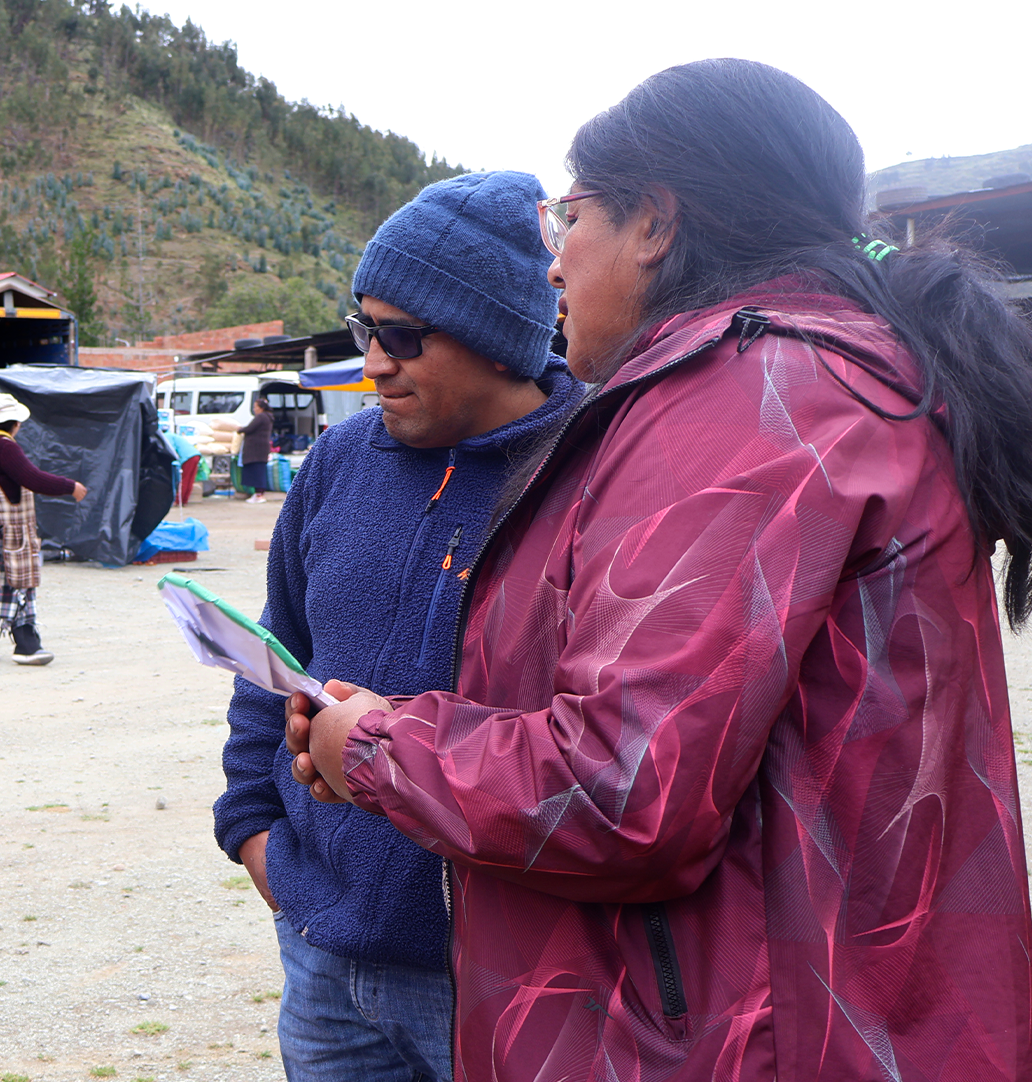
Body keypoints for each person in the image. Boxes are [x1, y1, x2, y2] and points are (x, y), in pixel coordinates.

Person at [289, 60, 1032, 1080]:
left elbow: (622, 789)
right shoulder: (813, 377)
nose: (552, 265)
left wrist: (373, 746)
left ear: (656, 224)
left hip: (731, 1040)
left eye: (571, 215)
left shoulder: (751, 400)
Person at [215, 170, 584, 1082]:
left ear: (498, 340)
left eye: (403, 337)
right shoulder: (336, 462)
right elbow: (275, 659)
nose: (373, 361)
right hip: (322, 962)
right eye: (364, 328)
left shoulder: (592, 471)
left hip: (504, 975)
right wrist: (256, 835)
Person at [0, 392, 86, 665]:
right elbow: (32, 478)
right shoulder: (5, 447)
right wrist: (70, 487)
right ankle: (27, 646)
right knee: (15, 582)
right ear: (14, 423)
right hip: (4, 528)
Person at [237, 396, 272, 503]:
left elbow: (249, 428)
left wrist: (240, 430)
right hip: (260, 449)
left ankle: (259, 495)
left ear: (261, 408)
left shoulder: (261, 417)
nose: (254, 409)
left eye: (255, 407)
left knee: (258, 471)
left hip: (257, 449)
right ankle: (258, 493)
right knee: (259, 470)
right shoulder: (267, 417)